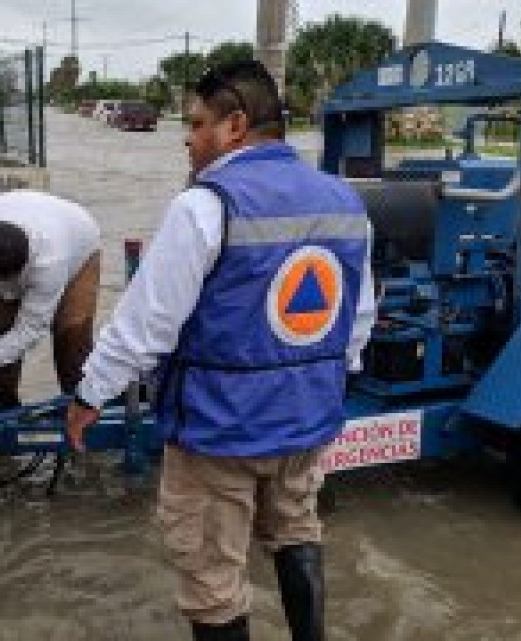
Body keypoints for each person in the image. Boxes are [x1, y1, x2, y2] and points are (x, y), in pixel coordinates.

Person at [66, 61, 375, 641]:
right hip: (306, 421)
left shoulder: (206, 205)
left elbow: (146, 324)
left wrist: (90, 392)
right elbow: (356, 318)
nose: (187, 136)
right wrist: (326, 383)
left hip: (219, 429)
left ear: (234, 125)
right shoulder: (346, 202)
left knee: (212, 577)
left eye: (197, 122)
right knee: (298, 527)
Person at [0, 190, 101, 415]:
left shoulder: (50, 260)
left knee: (71, 339)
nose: (6, 293)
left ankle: (81, 415)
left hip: (79, 244)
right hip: (23, 234)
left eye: (8, 281)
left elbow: (29, 331)